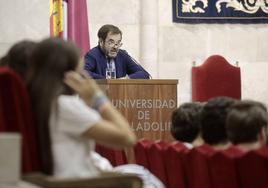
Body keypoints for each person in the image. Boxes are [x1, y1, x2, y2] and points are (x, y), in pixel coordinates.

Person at [27, 38, 164, 188]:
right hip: (81, 183)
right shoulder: (64, 106)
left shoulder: (34, 101)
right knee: (147, 179)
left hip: (53, 180)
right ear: (70, 72)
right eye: (81, 68)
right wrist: (98, 98)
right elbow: (127, 138)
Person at [84, 24, 150, 79]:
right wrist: (105, 80)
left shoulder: (122, 55)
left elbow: (144, 74)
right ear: (101, 42)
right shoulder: (93, 55)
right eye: (111, 42)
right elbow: (82, 72)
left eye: (118, 43)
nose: (115, 47)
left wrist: (126, 79)